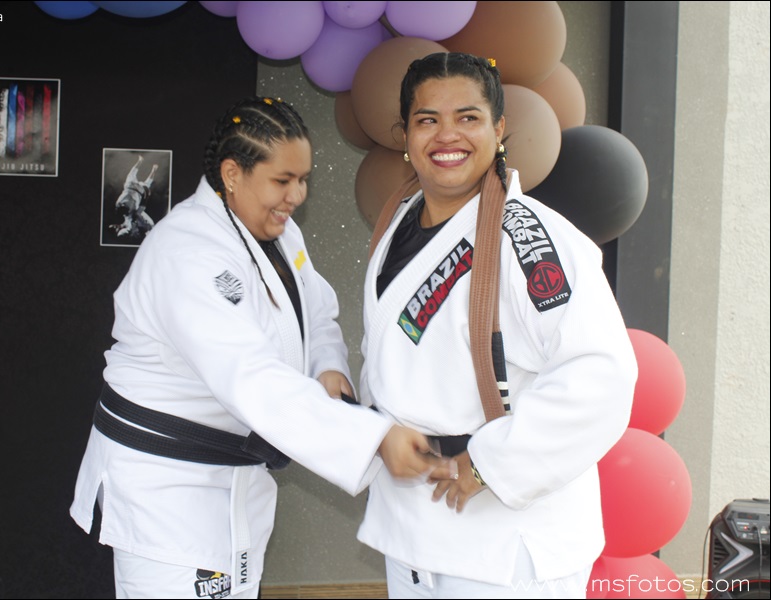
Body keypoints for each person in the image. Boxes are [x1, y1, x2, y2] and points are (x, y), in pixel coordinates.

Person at [70, 96, 454, 599]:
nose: (296, 195)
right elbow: (250, 376)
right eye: (282, 180)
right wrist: (374, 437)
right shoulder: (186, 252)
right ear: (232, 174)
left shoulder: (278, 233)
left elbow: (317, 312)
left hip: (233, 480)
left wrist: (328, 368)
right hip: (168, 490)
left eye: (304, 179)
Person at [357, 52, 638, 598]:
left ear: (499, 128)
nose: (447, 135)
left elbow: (601, 375)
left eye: (468, 117)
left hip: (504, 535)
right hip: (414, 524)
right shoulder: (399, 222)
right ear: (405, 135)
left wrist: (491, 465)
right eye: (427, 119)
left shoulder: (530, 237)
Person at [109, 155, 158, 239]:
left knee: (132, 175)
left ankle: (141, 161)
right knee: (147, 184)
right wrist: (146, 196)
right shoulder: (129, 221)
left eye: (113, 226)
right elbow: (140, 210)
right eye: (114, 228)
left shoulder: (119, 211)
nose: (115, 226)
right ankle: (153, 169)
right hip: (137, 192)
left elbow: (125, 213)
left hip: (130, 188)